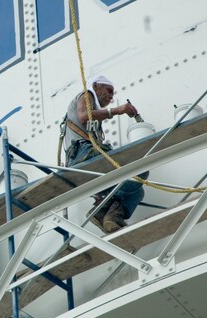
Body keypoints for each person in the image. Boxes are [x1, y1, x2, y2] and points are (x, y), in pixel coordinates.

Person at [63, 75, 147, 233]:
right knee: (141, 170)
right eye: (108, 91)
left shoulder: (96, 117)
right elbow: (83, 116)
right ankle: (107, 211)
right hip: (83, 154)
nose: (110, 96)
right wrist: (116, 110)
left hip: (86, 158)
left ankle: (106, 214)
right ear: (96, 86)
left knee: (137, 191)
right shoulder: (87, 95)